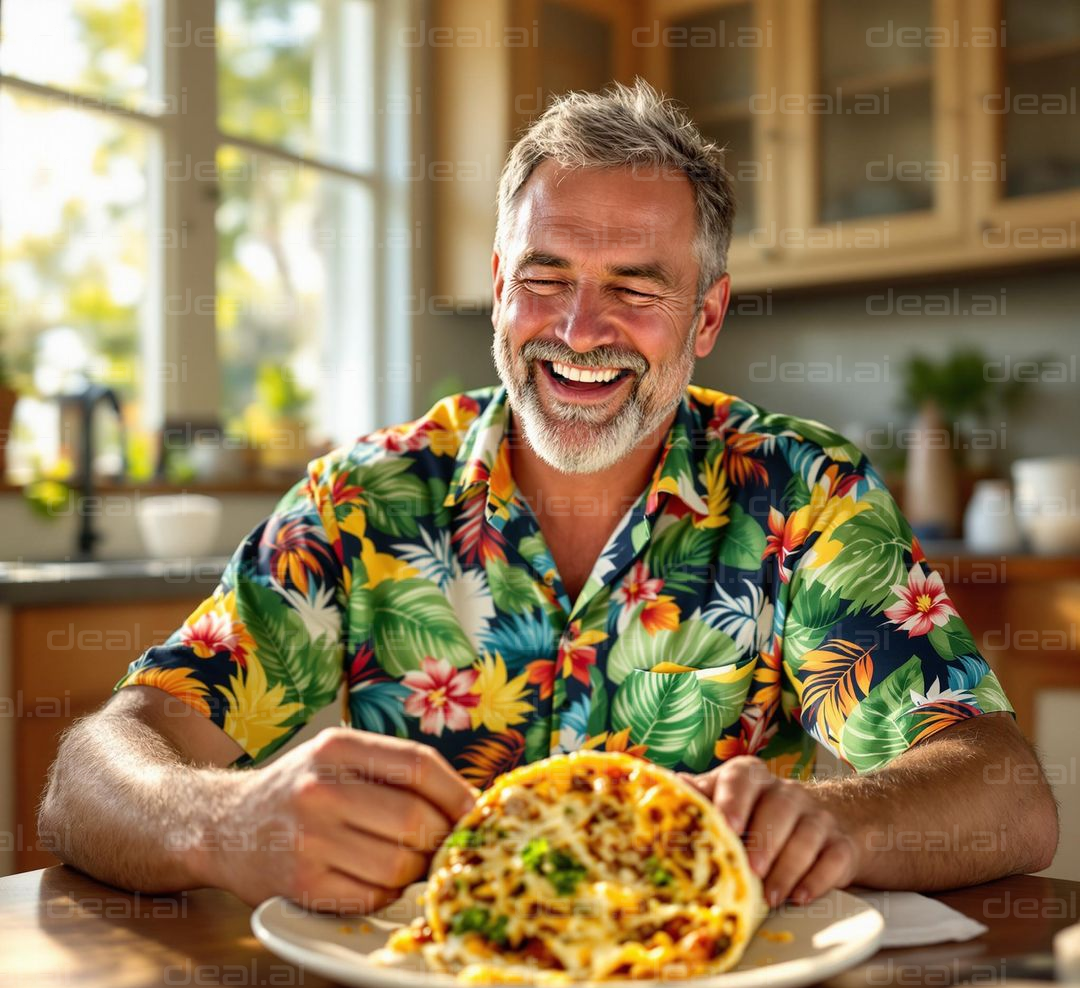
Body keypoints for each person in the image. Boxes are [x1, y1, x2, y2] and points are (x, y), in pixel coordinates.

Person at [39, 81, 1057, 915]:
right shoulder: (363, 498)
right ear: (496, 285)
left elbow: (1010, 795)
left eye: (635, 286)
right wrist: (226, 823)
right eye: (546, 273)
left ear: (705, 317)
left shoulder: (803, 494)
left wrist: (845, 821)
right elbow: (93, 773)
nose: (577, 329)